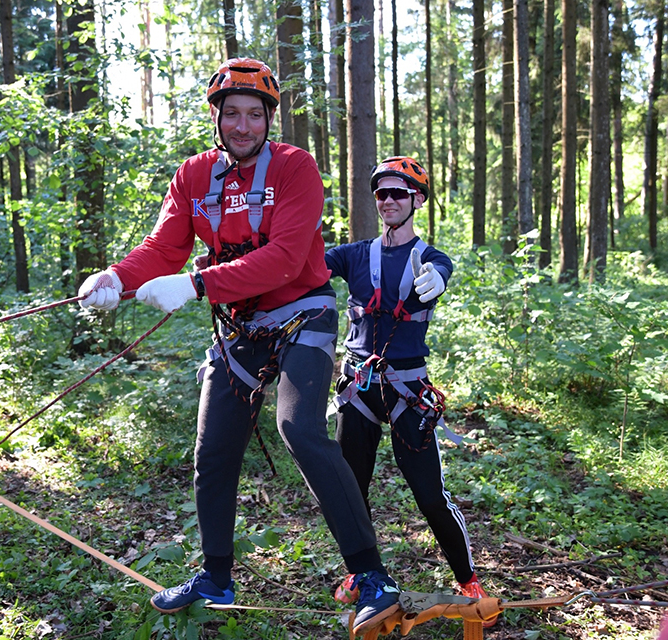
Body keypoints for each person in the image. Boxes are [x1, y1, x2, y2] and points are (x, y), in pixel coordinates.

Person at [77, 58, 400, 635]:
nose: (243, 125)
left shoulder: (297, 168)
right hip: (239, 328)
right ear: (217, 118)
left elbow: (283, 256)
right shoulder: (194, 176)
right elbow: (162, 248)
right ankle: (216, 575)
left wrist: (197, 284)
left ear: (268, 119)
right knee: (213, 451)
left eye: (255, 114)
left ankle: (373, 577)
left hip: (304, 313)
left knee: (299, 428)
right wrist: (114, 279)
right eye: (233, 114)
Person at [324, 156, 496, 628]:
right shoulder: (354, 255)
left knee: (429, 494)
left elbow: (445, 266)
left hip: (407, 390)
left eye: (399, 193)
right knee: (350, 489)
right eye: (382, 194)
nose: (389, 201)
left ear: (417, 200)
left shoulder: (429, 258)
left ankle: (468, 580)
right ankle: (363, 575)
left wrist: (440, 276)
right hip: (358, 387)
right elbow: (303, 264)